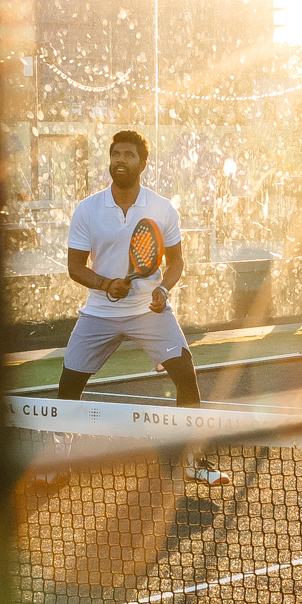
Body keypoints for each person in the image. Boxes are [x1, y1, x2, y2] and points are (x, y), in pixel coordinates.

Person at [59, 130, 227, 479]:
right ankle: (59, 457)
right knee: (68, 385)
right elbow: (75, 267)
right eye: (115, 154)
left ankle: (194, 461)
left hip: (149, 313)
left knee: (185, 376)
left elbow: (176, 261)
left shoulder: (161, 208)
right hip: (99, 313)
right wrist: (105, 284)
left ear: (143, 163)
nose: (120, 160)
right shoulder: (88, 209)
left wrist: (163, 289)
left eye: (128, 155)